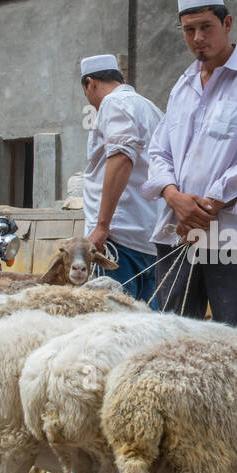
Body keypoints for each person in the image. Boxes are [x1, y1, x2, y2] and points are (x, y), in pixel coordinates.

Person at [143, 0, 237, 326]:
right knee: (175, 339)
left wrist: (205, 207)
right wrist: (174, 198)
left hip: (234, 234)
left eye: (206, 27)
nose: (198, 37)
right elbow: (158, 151)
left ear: (227, 23)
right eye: (189, 30)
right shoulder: (183, 85)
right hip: (177, 232)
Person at [79, 54, 165, 304]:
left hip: (118, 241)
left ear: (91, 83)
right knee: (148, 329)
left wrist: (102, 226)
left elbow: (121, 157)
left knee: (112, 325)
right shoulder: (150, 108)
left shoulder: (112, 104)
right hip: (150, 238)